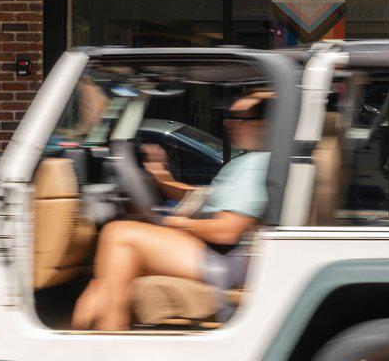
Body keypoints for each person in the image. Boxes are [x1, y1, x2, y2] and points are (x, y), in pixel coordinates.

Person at [70, 90, 271, 332]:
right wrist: (161, 177)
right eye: (229, 116)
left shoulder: (255, 166)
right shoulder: (250, 162)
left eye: (241, 117)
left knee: (118, 234)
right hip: (222, 255)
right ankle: (83, 342)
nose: (229, 123)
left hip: (225, 260)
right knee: (105, 281)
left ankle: (108, 343)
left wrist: (175, 224)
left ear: (265, 125)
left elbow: (227, 231)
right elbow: (201, 197)